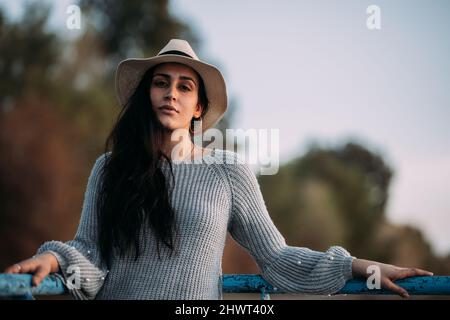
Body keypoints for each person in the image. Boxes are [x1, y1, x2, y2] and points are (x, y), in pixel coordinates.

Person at [4, 39, 433, 300]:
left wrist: (365, 268)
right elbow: (91, 258)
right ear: (146, 95)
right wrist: (55, 259)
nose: (170, 93)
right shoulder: (110, 169)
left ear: (199, 107)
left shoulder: (226, 171)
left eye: (184, 86)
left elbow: (278, 259)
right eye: (160, 82)